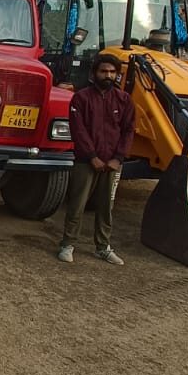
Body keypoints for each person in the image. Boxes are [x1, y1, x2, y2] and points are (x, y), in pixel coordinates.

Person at [57, 53, 135, 266]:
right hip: (86, 162)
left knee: (106, 207)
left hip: (112, 164)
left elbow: (128, 131)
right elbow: (78, 130)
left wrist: (118, 158)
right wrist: (92, 156)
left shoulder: (124, 100)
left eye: (112, 72)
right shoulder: (81, 98)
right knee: (78, 204)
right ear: (94, 73)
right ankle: (67, 244)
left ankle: (103, 247)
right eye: (103, 71)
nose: (108, 75)